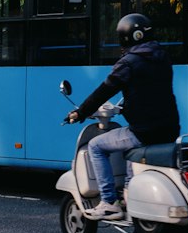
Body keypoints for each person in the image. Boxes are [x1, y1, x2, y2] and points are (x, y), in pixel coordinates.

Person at [65, 12, 179, 220]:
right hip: (170, 128)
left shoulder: (128, 63)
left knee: (96, 146)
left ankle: (109, 202)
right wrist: (127, 106)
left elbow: (105, 90)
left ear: (126, 37)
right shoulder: (162, 57)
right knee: (130, 150)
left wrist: (81, 112)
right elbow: (150, 91)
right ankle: (129, 195)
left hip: (144, 131)